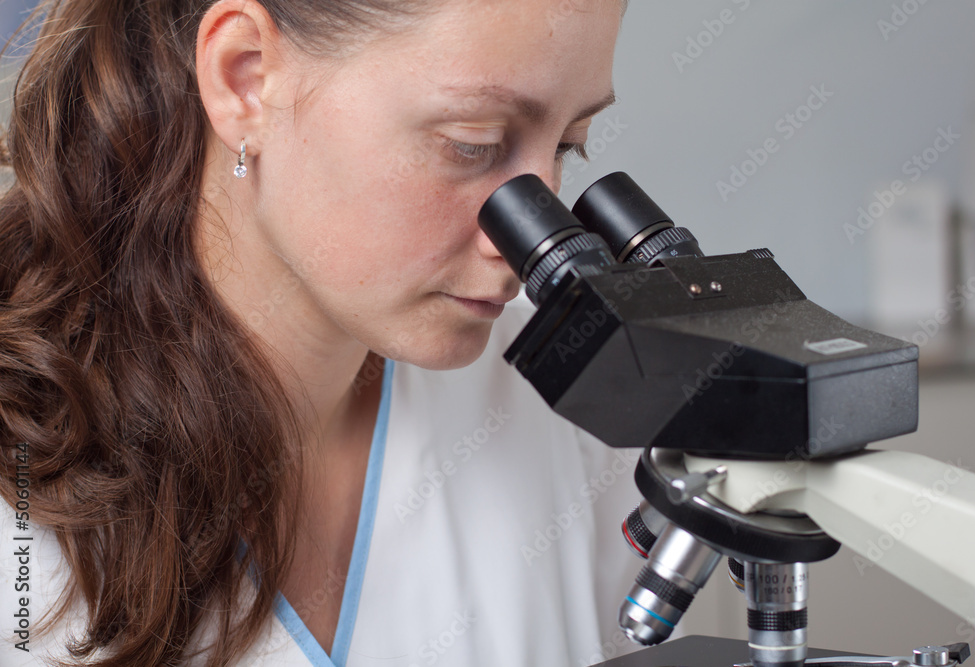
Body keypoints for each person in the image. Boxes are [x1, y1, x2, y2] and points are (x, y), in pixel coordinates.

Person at [0, 0, 643, 665]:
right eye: (472, 142)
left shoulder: (577, 408)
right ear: (244, 79)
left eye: (570, 143)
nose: (529, 239)